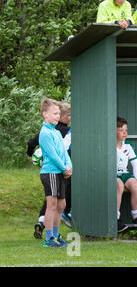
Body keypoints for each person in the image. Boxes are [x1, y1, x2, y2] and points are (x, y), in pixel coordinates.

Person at [28, 102, 72, 239]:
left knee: (62, 204)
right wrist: (64, 168)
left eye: (59, 113)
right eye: (55, 113)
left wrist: (69, 167)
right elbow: (53, 155)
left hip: (60, 172)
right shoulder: (45, 133)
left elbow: (64, 153)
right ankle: (49, 238)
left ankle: (55, 235)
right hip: (50, 172)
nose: (58, 116)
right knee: (52, 205)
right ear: (45, 114)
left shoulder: (57, 132)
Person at [116, 117, 137, 233]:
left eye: (126, 130)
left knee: (134, 184)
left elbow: (135, 164)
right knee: (119, 185)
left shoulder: (128, 145)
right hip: (112, 175)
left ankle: (136, 215)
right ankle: (115, 218)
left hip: (124, 173)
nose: (125, 133)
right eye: (121, 130)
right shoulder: (109, 144)